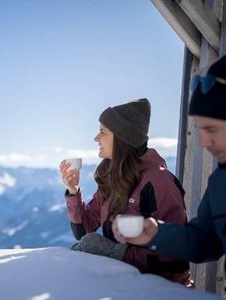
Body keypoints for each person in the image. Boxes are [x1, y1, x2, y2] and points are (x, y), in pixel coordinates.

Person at [59, 98, 193, 286]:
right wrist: (73, 191)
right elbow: (84, 229)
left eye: (102, 132)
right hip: (125, 287)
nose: (95, 139)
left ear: (123, 138)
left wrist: (116, 253)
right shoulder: (114, 178)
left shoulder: (159, 182)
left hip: (165, 293)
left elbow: (173, 258)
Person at [112, 56, 226, 276]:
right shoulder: (220, 181)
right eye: (199, 130)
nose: (203, 142)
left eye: (211, 129)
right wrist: (155, 233)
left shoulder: (158, 179)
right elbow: (204, 241)